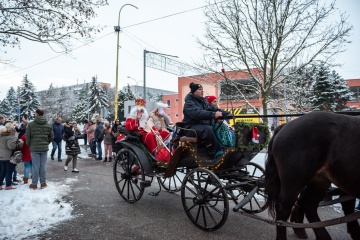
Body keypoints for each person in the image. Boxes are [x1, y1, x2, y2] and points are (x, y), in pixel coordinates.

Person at [183, 83, 230, 159]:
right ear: (193, 92)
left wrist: (226, 113)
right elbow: (197, 113)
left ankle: (224, 146)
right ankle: (215, 152)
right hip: (191, 127)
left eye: (202, 90)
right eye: (199, 90)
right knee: (207, 129)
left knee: (218, 127)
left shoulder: (204, 102)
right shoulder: (189, 103)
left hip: (202, 126)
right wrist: (213, 115)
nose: (202, 91)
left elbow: (214, 109)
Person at [26, 108, 54, 190]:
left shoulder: (31, 124)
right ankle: (43, 183)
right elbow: (51, 137)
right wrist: (46, 143)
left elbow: (28, 137)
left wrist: (30, 144)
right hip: (44, 148)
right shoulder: (48, 125)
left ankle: (34, 184)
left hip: (34, 148)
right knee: (43, 166)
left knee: (35, 166)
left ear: (37, 114)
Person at [0, 122, 24, 190]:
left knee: (2, 171)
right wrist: (20, 143)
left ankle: (0, 184)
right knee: (9, 171)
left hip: (1, 156)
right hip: (8, 156)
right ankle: (8, 185)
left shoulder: (1, 135)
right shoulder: (10, 136)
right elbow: (11, 146)